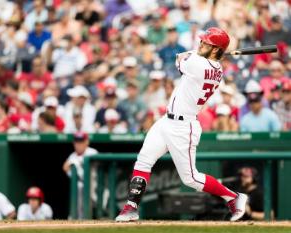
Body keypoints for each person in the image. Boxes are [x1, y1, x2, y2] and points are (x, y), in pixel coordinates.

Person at [115, 27, 248, 222]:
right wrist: (199, 53)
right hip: (166, 121)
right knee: (144, 160)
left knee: (191, 179)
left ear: (215, 50)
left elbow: (179, 60)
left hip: (183, 127)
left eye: (206, 43)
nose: (201, 44)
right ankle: (131, 207)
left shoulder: (198, 64)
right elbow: (189, 58)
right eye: (202, 41)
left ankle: (234, 197)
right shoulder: (214, 68)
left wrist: (190, 54)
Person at [62, 132, 98, 219]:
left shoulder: (92, 152)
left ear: (87, 142)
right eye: (77, 141)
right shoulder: (72, 155)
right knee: (79, 187)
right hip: (81, 186)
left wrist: (74, 163)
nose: (78, 144)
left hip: (95, 186)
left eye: (81, 141)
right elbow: (65, 167)